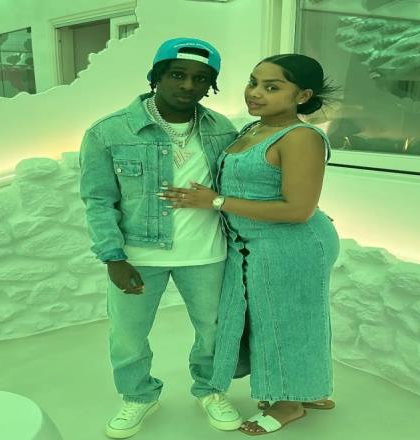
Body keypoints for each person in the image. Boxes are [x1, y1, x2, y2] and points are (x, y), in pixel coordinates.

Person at [160, 53, 340, 436]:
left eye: (271, 87)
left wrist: (215, 202)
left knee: (288, 323)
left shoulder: (301, 137)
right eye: (253, 82)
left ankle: (290, 404)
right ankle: (306, 388)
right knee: (270, 321)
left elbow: (298, 210)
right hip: (253, 246)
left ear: (303, 96)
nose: (255, 93)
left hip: (290, 246)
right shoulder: (253, 129)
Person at [79, 37, 243, 439]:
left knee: (214, 330)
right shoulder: (109, 131)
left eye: (201, 78)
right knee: (128, 336)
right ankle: (138, 396)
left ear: (211, 85)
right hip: (138, 255)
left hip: (207, 253)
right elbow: (98, 200)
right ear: (156, 76)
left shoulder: (223, 130)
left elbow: (239, 187)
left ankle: (210, 389)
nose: (188, 85)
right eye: (178, 74)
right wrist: (113, 257)